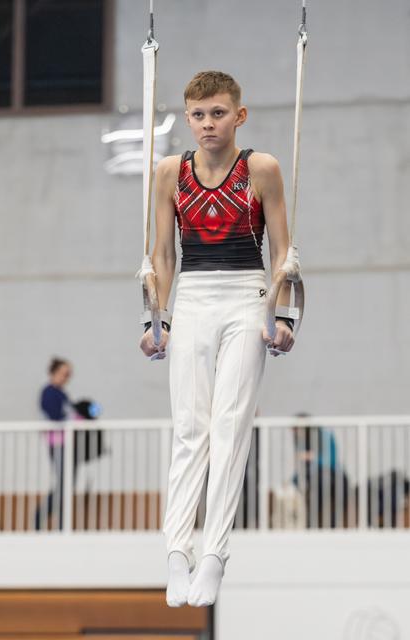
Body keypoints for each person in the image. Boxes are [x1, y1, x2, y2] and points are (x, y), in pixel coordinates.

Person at [140, 71, 295, 607]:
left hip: (248, 296)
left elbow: (283, 253)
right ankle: (176, 553)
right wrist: (154, 321)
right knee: (190, 429)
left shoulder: (261, 168)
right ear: (187, 118)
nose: (209, 124)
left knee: (230, 426)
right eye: (200, 115)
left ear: (239, 116)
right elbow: (161, 256)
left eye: (219, 113)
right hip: (193, 298)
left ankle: (213, 555)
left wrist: (287, 318)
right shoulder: (168, 173)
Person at [36, 357, 72, 529]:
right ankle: (40, 518)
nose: (66, 378)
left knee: (65, 483)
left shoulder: (62, 393)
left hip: (65, 443)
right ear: (54, 373)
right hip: (56, 443)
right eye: (64, 374)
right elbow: (56, 415)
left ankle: (61, 523)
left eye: (68, 375)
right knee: (63, 483)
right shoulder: (49, 392)